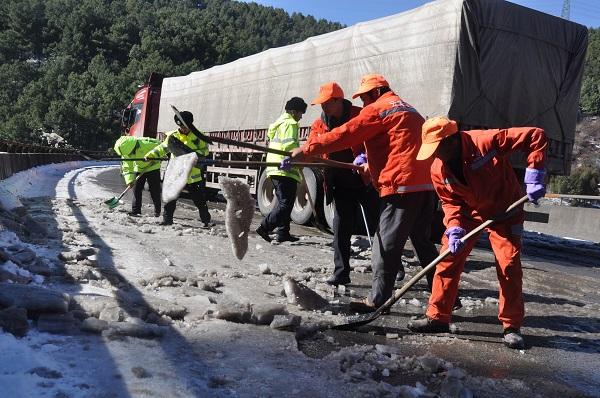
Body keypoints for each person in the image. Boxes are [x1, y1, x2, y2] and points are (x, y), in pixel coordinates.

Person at [291, 74, 439, 312]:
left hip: (400, 186)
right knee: (423, 243)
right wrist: (371, 162)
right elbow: (399, 145)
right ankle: (445, 297)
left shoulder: (377, 109)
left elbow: (345, 134)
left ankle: (378, 301)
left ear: (375, 93)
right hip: (423, 185)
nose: (364, 102)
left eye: (364, 97)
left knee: (384, 245)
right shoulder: (408, 108)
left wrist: (306, 150)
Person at [407, 116, 547, 350]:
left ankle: (511, 326)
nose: (435, 155)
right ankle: (438, 317)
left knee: (509, 265)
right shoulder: (437, 168)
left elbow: (535, 135)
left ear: (451, 140)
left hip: (506, 211)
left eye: (437, 148)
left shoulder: (485, 142)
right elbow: (450, 203)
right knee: (447, 260)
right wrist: (453, 228)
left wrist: (535, 174)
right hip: (469, 216)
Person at [306, 81, 379, 286]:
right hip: (338, 183)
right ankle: (341, 273)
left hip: (364, 179)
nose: (323, 107)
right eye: (321, 104)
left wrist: (365, 157)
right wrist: (298, 157)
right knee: (341, 230)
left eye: (327, 103)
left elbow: (375, 141)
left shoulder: (360, 114)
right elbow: (311, 146)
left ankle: (392, 267)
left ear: (338, 100)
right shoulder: (319, 124)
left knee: (379, 226)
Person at [145, 111, 213, 227]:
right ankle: (167, 220)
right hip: (176, 172)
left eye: (186, 126)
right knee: (170, 197)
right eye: (181, 126)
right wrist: (150, 155)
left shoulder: (199, 136)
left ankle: (206, 221)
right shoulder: (173, 137)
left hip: (192, 173)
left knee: (200, 200)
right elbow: (162, 148)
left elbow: (205, 151)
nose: (184, 128)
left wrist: (195, 155)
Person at [255, 97, 307, 243]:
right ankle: (264, 227)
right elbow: (289, 146)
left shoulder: (279, 122)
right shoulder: (290, 123)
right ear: (293, 111)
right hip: (284, 168)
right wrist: (299, 158)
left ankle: (283, 233)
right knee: (286, 203)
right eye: (300, 113)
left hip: (274, 167)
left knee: (283, 202)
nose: (301, 116)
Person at [113, 136, 162, 217]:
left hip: (153, 167)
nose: (130, 155)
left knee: (154, 190)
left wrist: (157, 159)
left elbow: (162, 149)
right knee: (136, 190)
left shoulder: (147, 144)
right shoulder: (126, 152)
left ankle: (157, 211)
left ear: (133, 148)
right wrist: (130, 180)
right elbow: (127, 167)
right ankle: (136, 211)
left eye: (131, 153)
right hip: (138, 168)